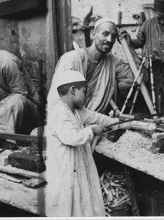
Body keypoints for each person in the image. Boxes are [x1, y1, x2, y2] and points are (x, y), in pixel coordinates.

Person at [45, 70, 118, 217]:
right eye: (84, 92)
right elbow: (71, 137)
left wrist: (117, 123)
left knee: (82, 203)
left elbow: (96, 117)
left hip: (77, 169)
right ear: (73, 90)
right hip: (65, 172)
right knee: (69, 207)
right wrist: (91, 130)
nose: (87, 96)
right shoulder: (59, 113)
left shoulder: (76, 111)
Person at [47, 18, 133, 115]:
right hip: (69, 122)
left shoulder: (113, 62)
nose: (110, 40)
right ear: (93, 35)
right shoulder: (71, 59)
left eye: (113, 36)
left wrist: (129, 47)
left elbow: (140, 77)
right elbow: (56, 101)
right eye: (105, 34)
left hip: (95, 121)